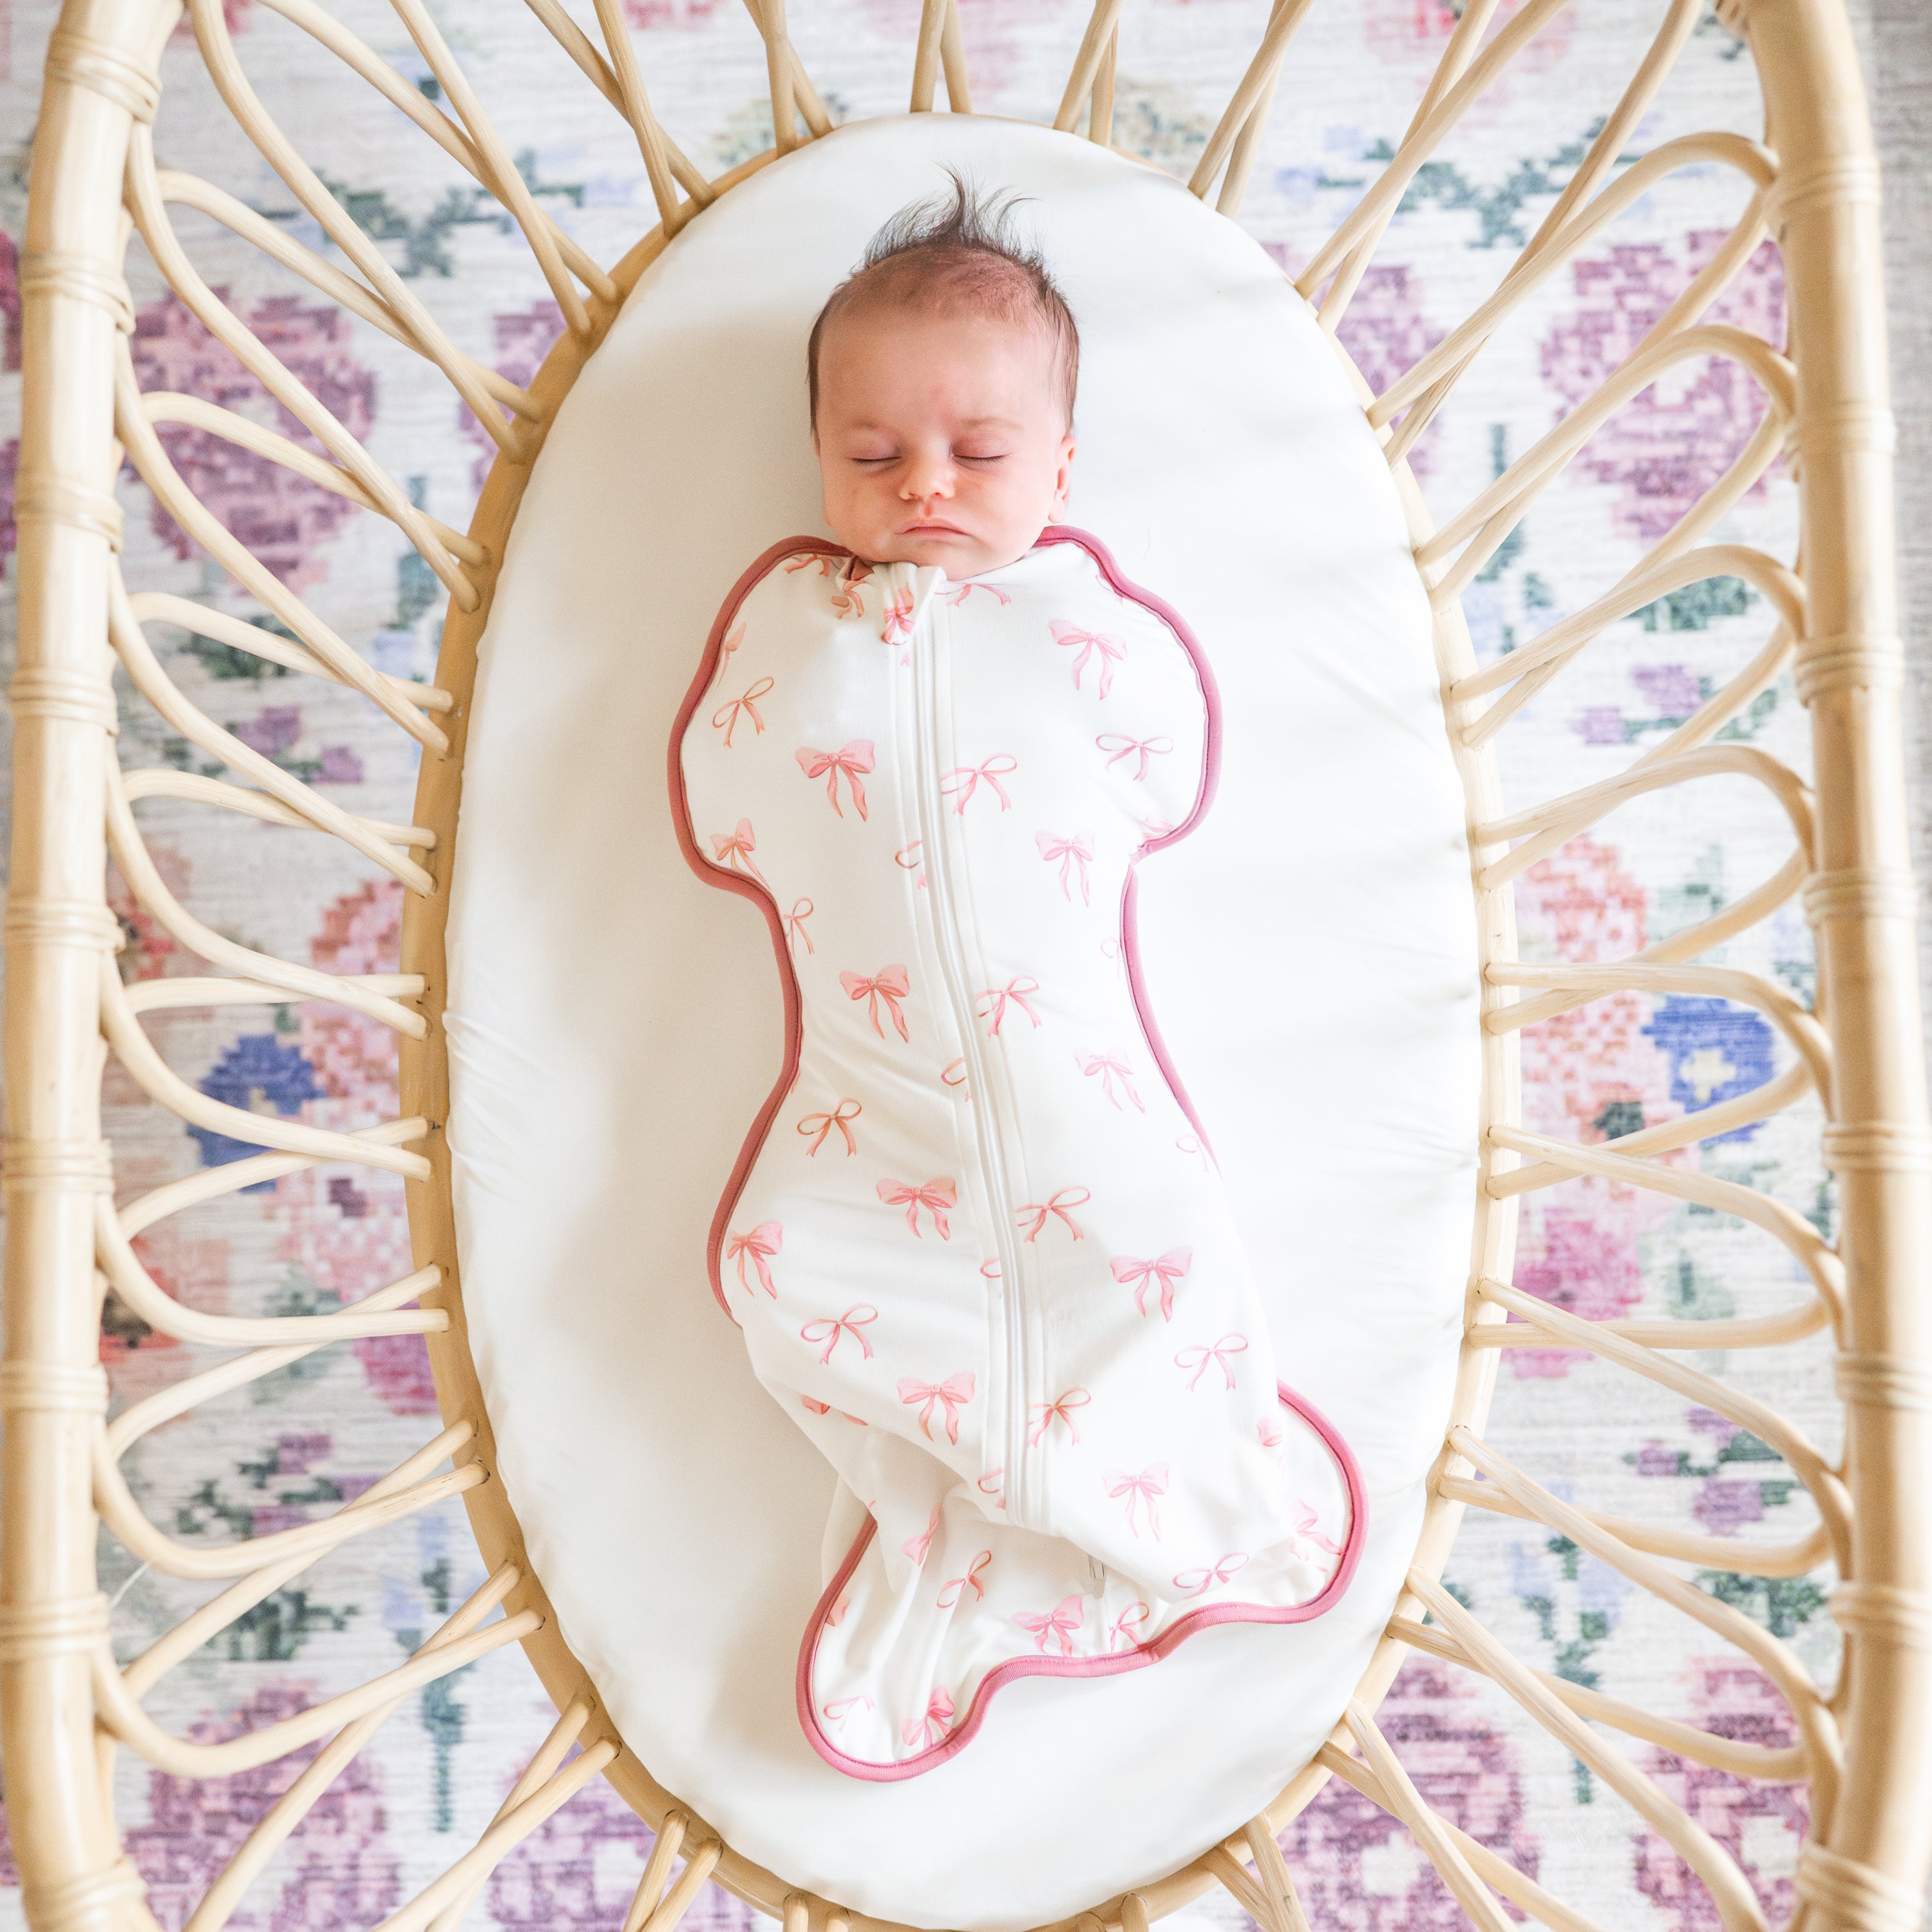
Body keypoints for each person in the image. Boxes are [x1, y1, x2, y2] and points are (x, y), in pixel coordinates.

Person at [672, 175, 1361, 1779]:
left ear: (1060, 466)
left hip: (1072, 1079)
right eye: (871, 454)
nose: (925, 487)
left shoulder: (1081, 626)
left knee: (1156, 1240)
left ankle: (1163, 1504)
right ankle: (977, 1507)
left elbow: (1165, 769)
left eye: (980, 455)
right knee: (778, 1257)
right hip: (871, 1098)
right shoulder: (796, 624)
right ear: (821, 457)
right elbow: (725, 793)